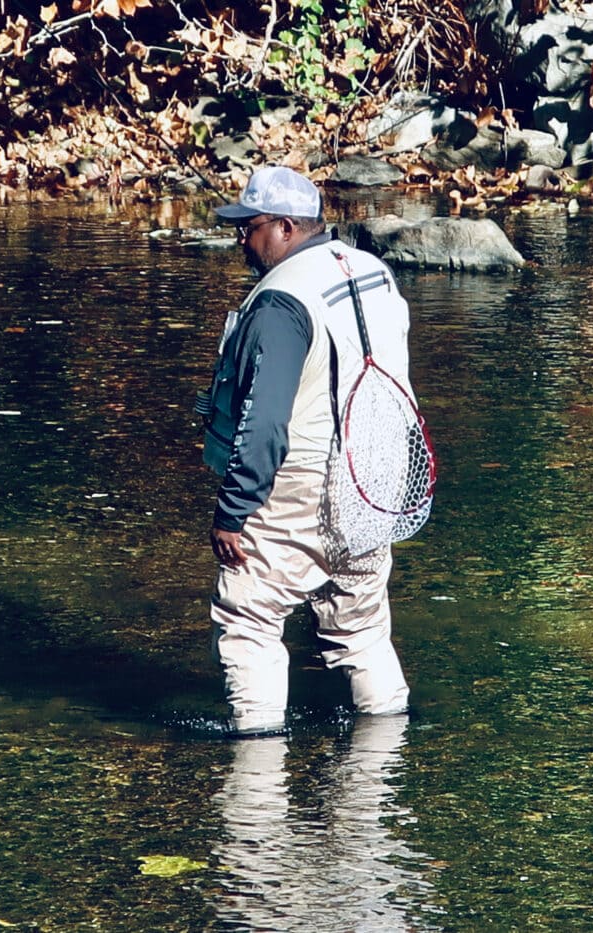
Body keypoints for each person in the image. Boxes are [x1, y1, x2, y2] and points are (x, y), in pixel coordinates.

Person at [199, 165, 416, 736]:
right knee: (363, 629)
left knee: (250, 620)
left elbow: (264, 422)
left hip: (299, 485)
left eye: (251, 228)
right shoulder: (374, 272)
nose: (240, 240)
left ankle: (256, 788)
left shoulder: (279, 304)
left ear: (288, 228)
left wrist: (233, 512)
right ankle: (379, 780)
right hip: (376, 480)